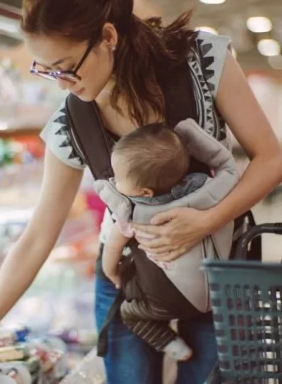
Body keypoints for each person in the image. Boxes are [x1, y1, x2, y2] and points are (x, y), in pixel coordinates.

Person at [0, 0, 282, 381]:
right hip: (131, 285)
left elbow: (271, 161)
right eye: (48, 71)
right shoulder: (70, 124)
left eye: (67, 67)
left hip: (223, 270)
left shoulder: (203, 59)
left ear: (108, 36)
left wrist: (205, 221)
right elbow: (37, 236)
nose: (63, 83)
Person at [97, 120, 239, 362]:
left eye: (118, 178)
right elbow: (227, 165)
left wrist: (111, 272)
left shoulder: (130, 211)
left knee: (129, 313)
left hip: (163, 303)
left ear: (145, 193)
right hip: (216, 294)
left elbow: (113, 246)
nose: (114, 181)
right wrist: (190, 133)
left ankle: (170, 343)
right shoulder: (209, 189)